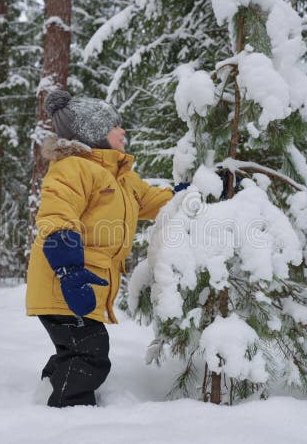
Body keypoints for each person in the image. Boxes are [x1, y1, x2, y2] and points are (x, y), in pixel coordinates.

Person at [26, 90, 185, 407]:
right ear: (94, 132)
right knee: (90, 353)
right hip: (66, 283)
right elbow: (57, 217)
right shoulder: (74, 169)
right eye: (116, 126)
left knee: (78, 348)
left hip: (81, 284)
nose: (123, 131)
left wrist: (194, 192)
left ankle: (50, 389)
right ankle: (69, 410)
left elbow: (157, 202)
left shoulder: (123, 179)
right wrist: (69, 269)